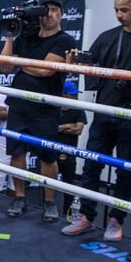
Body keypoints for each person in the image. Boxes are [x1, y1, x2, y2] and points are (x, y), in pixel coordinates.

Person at [62, 0, 131, 239]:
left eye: (124, 9)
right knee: (91, 166)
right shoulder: (107, 37)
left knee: (124, 170)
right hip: (104, 111)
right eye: (116, 9)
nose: (119, 15)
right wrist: (74, 63)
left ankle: (116, 220)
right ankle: (87, 217)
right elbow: (87, 65)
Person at [0, 0, 78, 221]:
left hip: (46, 106)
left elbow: (46, 70)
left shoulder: (64, 40)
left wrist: (20, 64)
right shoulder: (26, 37)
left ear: (61, 14)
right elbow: (5, 67)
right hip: (19, 103)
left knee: (47, 157)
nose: (50, 14)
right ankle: (19, 197)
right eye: (46, 10)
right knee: (17, 152)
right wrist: (11, 35)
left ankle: (49, 202)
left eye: (55, 10)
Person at [53, 81, 87, 217]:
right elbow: (51, 128)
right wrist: (67, 126)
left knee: (69, 185)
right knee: (49, 183)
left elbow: (78, 129)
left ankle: (67, 212)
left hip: (70, 152)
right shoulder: (54, 108)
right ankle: (48, 208)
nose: (75, 97)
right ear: (64, 94)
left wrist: (60, 127)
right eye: (72, 95)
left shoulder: (78, 109)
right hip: (53, 150)